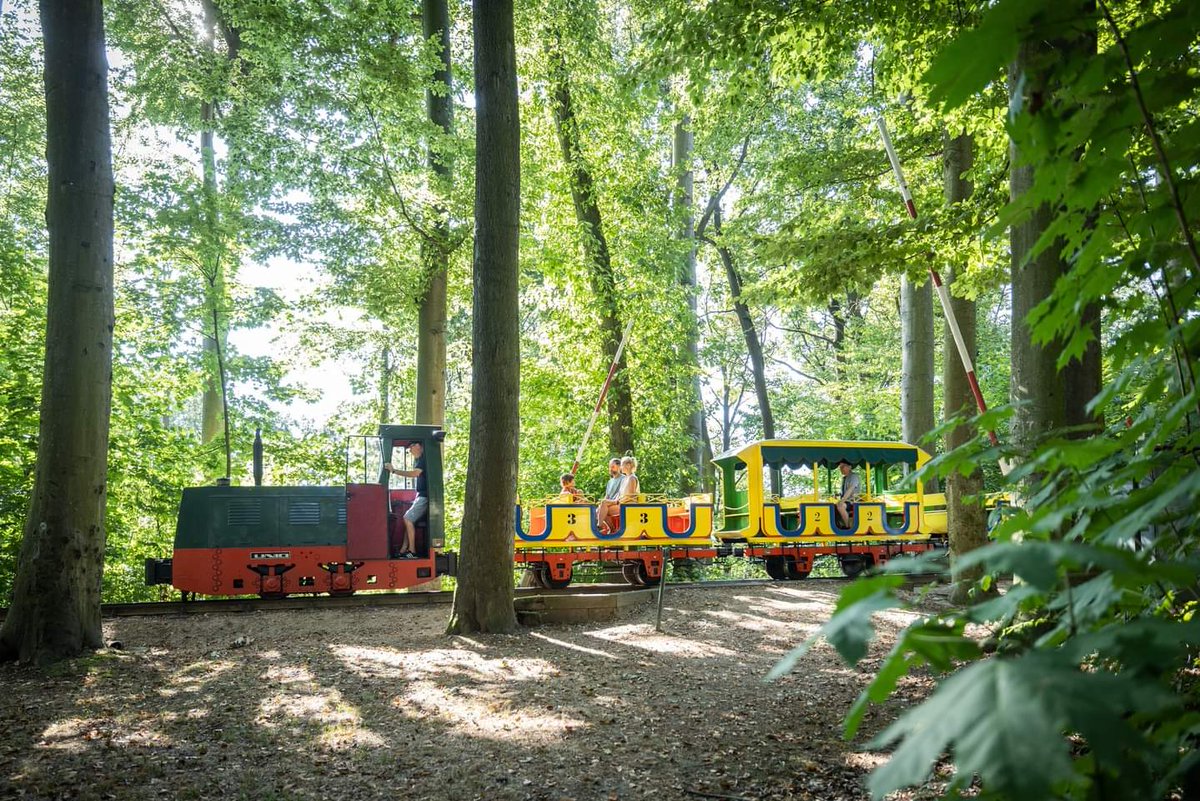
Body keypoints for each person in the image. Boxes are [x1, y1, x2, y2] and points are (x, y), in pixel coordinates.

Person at [384, 441, 426, 558]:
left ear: (419, 445)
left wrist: (394, 471)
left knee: (407, 519)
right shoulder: (418, 460)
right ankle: (403, 550)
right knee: (408, 519)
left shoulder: (423, 460)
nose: (410, 450)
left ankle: (412, 551)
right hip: (420, 496)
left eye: (411, 447)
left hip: (425, 496)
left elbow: (414, 474)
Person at [597, 456, 640, 533]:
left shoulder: (632, 478)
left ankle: (600, 527)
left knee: (603, 508)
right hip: (622, 504)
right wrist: (614, 501)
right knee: (603, 505)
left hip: (628, 506)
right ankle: (611, 529)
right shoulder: (626, 478)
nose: (620, 467)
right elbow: (619, 494)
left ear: (628, 465)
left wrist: (616, 502)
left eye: (622, 465)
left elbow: (630, 496)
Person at [595, 458, 622, 528]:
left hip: (618, 504)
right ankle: (612, 530)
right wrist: (600, 504)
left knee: (602, 511)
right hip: (609, 503)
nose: (610, 469)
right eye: (610, 467)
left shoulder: (624, 479)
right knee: (596, 511)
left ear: (619, 467)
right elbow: (607, 496)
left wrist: (604, 503)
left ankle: (598, 526)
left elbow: (620, 495)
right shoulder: (610, 482)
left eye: (613, 467)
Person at [835, 458, 861, 528]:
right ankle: (838, 525)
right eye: (840, 467)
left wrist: (842, 500)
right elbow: (844, 491)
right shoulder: (845, 478)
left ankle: (848, 527)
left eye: (843, 466)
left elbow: (850, 489)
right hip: (847, 500)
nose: (841, 469)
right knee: (833, 505)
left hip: (853, 501)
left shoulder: (854, 476)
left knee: (840, 506)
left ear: (850, 467)